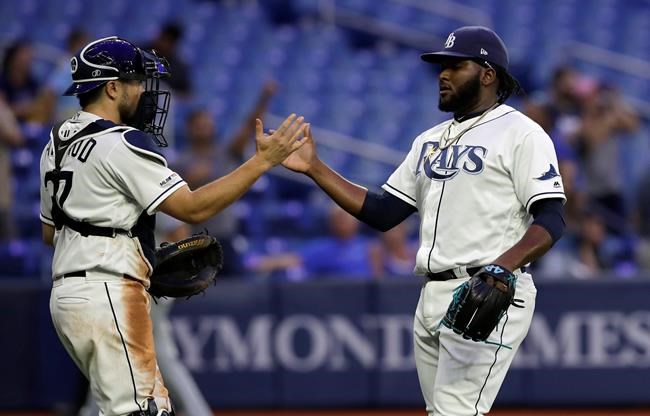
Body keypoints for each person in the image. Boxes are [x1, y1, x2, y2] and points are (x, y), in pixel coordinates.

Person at [282, 26, 566, 415]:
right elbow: (385, 212)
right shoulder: (429, 140)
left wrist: (502, 268)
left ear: (488, 74)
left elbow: (551, 219)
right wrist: (316, 168)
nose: (443, 74)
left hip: (487, 290)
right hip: (432, 294)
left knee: (455, 411)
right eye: (441, 66)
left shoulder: (522, 134)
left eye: (456, 65)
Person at [39, 36, 307, 416]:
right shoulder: (121, 142)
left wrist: (128, 245)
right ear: (112, 87)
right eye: (135, 82)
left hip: (67, 296)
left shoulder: (56, 143)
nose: (144, 92)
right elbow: (193, 209)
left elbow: (50, 234)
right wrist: (262, 162)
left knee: (114, 406)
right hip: (107, 291)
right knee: (144, 410)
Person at [173, 80, 277, 275]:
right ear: (189, 128)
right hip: (196, 239)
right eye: (199, 125)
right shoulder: (180, 162)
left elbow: (249, 128)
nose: (204, 128)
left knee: (236, 291)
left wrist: (265, 98)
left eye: (207, 123)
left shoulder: (226, 153)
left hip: (226, 237)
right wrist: (190, 180)